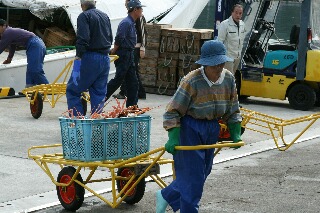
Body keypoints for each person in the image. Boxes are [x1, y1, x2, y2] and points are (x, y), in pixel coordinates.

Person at [156, 40, 243, 213]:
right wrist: (173, 137)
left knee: (203, 172)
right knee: (193, 178)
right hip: (190, 128)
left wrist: (236, 133)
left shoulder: (228, 79)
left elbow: (233, 108)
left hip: (212, 126)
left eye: (221, 63)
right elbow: (172, 111)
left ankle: (167, 194)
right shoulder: (192, 80)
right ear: (204, 64)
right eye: (214, 65)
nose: (218, 68)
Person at [66, 0, 113, 116]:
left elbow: (83, 39)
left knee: (73, 90)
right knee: (98, 93)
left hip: (89, 58)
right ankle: (97, 125)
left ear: (82, 6)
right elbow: (110, 38)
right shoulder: (104, 16)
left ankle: (78, 124)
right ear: (95, 2)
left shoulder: (84, 16)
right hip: (105, 59)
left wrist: (78, 58)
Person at [106, 0, 145, 107]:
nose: (142, 10)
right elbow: (119, 38)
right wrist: (114, 50)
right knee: (118, 80)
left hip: (129, 53)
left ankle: (132, 107)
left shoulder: (132, 22)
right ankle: (100, 100)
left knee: (133, 82)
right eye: (140, 8)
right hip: (123, 54)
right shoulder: (126, 23)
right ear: (135, 10)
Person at [0, 19, 49, 88]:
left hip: (35, 44)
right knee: (30, 69)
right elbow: (12, 46)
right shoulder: (10, 33)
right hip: (34, 44)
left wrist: (9, 59)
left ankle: (49, 88)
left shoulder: (7, 32)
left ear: (4, 26)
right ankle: (29, 90)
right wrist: (9, 59)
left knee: (35, 70)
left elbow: (1, 47)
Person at [217, 4, 246, 75]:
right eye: (236, 12)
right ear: (232, 12)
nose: (238, 15)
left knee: (232, 76)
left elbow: (241, 40)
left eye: (240, 13)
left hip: (237, 57)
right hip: (228, 57)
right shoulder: (225, 24)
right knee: (229, 77)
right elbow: (219, 41)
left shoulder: (242, 25)